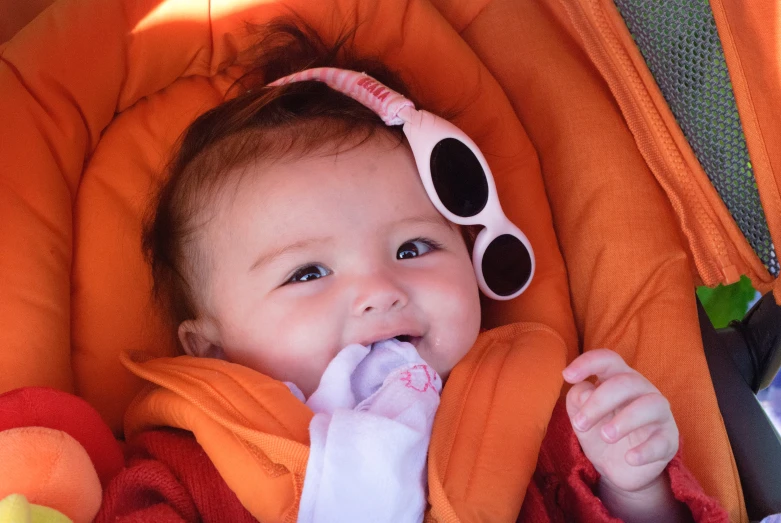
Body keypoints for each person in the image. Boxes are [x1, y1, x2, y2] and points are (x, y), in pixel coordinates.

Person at [100, 19, 727, 522]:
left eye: (412, 250)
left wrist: (635, 488)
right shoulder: (188, 463)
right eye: (308, 272)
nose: (379, 291)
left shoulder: (537, 421)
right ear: (210, 348)